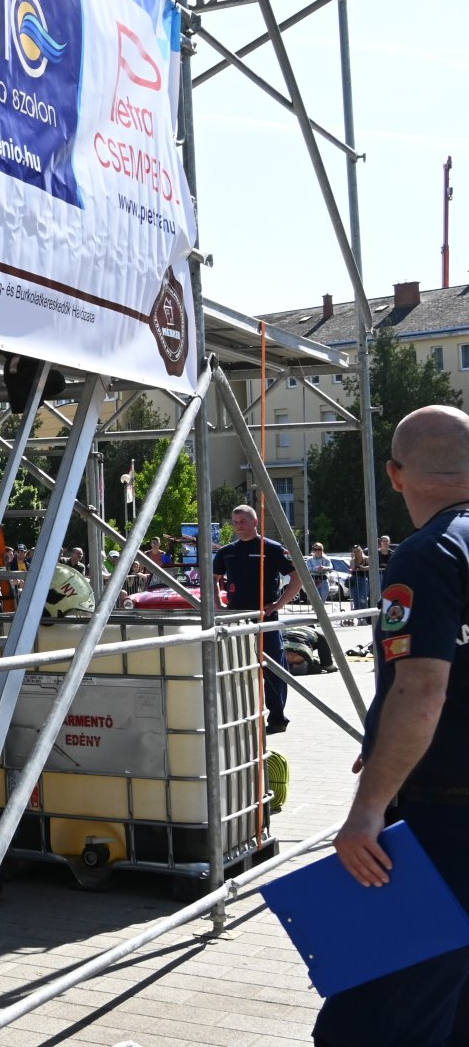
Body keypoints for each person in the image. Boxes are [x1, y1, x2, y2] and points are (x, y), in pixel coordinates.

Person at [321, 405, 469, 1046]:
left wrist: (369, 808)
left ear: (395, 474)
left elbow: (422, 689)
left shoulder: (429, 552)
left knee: (374, 1019)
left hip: (443, 822)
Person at [213, 504, 302, 733]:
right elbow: (212, 578)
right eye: (235, 522)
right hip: (237, 619)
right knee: (237, 669)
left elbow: (297, 578)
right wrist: (218, 605)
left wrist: (278, 605)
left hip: (265, 619)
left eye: (243, 521)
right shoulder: (227, 552)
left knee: (272, 668)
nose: (238, 526)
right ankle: (243, 716)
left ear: (255, 522)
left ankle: (277, 717)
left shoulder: (271, 548)